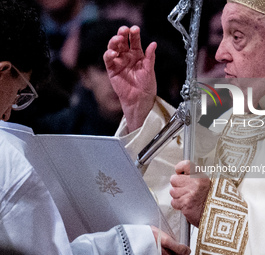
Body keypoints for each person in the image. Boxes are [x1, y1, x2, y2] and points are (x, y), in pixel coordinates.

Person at [104, 0, 265, 254]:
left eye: (237, 36)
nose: (219, 53)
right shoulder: (263, 94)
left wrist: (211, 209)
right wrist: (141, 109)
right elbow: (191, 178)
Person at [0, 0, 190, 254]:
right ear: (3, 72)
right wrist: (133, 244)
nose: (7, 112)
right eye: (18, 95)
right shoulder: (9, 158)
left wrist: (139, 111)